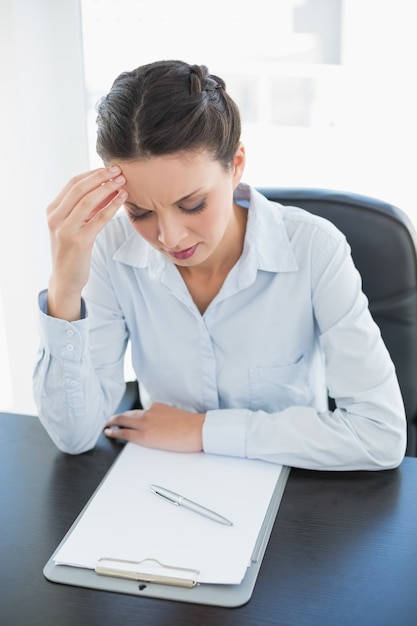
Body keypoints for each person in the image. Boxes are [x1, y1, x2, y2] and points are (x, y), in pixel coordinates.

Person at [33, 59, 406, 470]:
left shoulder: (315, 250)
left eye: (192, 204)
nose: (170, 238)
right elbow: (74, 436)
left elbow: (380, 435)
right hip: (162, 482)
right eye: (140, 213)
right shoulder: (111, 252)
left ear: (237, 166)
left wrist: (203, 430)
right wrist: (65, 289)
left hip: (296, 491)